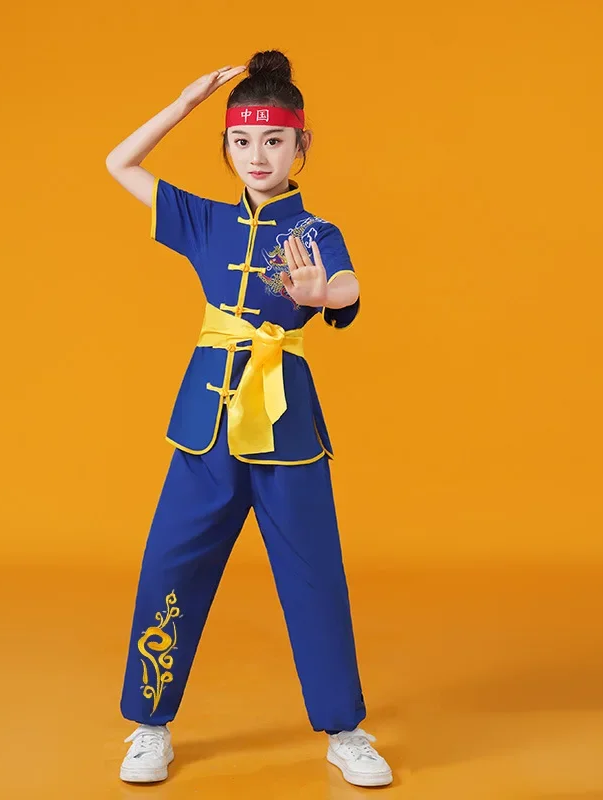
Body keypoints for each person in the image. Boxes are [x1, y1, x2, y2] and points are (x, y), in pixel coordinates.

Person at [105, 50, 393, 788]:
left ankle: (346, 731)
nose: (257, 155)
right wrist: (184, 105)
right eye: (241, 140)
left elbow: (348, 285)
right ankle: (150, 724)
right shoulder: (204, 220)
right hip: (205, 425)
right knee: (170, 564)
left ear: (301, 146)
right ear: (226, 146)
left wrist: (322, 296)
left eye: (273, 140)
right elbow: (119, 163)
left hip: (287, 427)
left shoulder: (317, 231)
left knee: (315, 576)